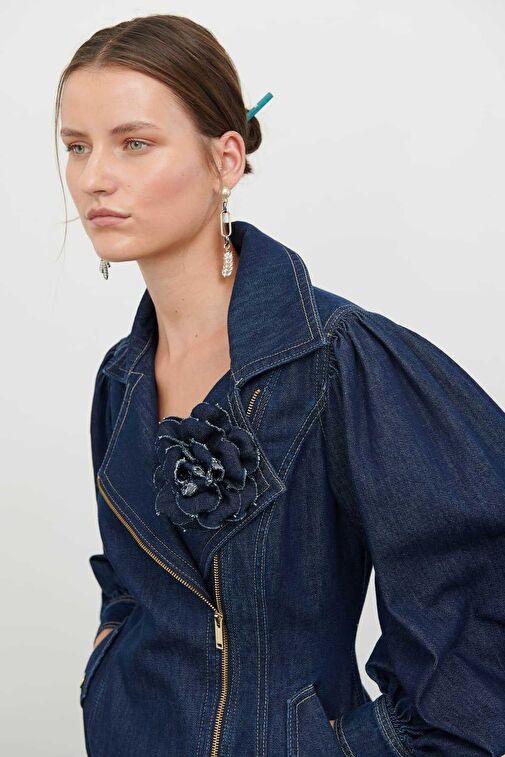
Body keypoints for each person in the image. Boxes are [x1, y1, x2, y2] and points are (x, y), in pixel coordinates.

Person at [56, 13, 505, 757]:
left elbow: (482, 580)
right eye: (77, 146)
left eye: (134, 143)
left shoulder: (337, 356)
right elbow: (130, 580)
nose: (94, 177)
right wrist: (107, 663)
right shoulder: (121, 376)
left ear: (225, 159)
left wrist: (369, 747)